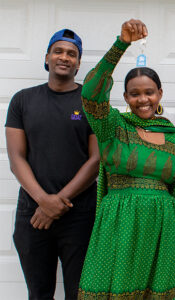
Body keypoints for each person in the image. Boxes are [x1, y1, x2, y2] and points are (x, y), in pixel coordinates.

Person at [77, 19, 175, 299]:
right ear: (125, 97)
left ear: (160, 94)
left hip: (162, 231)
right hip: (119, 226)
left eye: (149, 92)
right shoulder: (114, 126)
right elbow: (91, 93)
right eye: (135, 94)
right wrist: (121, 45)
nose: (142, 99)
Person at [5, 29, 99, 299]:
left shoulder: (90, 103)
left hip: (79, 215)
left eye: (72, 54)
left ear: (79, 63)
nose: (64, 57)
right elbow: (16, 158)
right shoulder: (23, 100)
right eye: (58, 51)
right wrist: (43, 201)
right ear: (47, 57)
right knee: (39, 293)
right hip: (32, 214)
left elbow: (95, 161)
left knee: (79, 294)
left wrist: (58, 201)